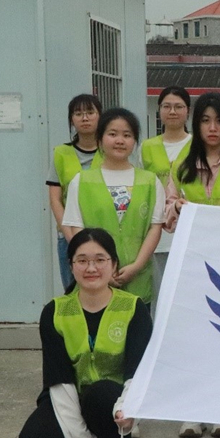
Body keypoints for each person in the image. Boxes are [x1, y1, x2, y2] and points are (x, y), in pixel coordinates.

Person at [15, 228, 151, 438]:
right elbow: (58, 379)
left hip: (113, 401)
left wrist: (130, 409)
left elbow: (138, 371)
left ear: (114, 264)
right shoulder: (54, 311)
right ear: (71, 266)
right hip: (69, 398)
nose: (91, 268)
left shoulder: (133, 308)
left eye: (100, 260)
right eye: (82, 260)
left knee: (102, 395)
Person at [166, 92, 220, 438]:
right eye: (205, 120)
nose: (212, 128)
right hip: (191, 268)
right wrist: (177, 207)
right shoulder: (181, 167)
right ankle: (192, 410)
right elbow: (166, 215)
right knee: (193, 339)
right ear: (196, 124)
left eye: (219, 121)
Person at [62, 108, 164, 307]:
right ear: (100, 139)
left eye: (127, 135)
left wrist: (136, 266)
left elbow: (155, 228)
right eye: (112, 134)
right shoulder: (81, 181)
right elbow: (76, 230)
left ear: (135, 141)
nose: (120, 140)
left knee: (137, 324)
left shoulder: (150, 182)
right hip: (94, 278)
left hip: (138, 278)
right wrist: (102, 269)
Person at [141, 86, 193, 310]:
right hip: (157, 227)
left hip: (187, 227)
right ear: (159, 110)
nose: (172, 111)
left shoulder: (197, 145)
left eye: (178, 107)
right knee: (160, 292)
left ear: (187, 111)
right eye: (167, 106)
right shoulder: (146, 147)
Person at [47, 94, 103, 289]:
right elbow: (55, 199)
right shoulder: (61, 153)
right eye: (78, 114)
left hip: (104, 233)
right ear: (71, 119)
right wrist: (71, 236)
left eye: (90, 112)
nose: (84, 118)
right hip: (68, 236)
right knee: (73, 292)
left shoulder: (110, 152)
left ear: (100, 116)